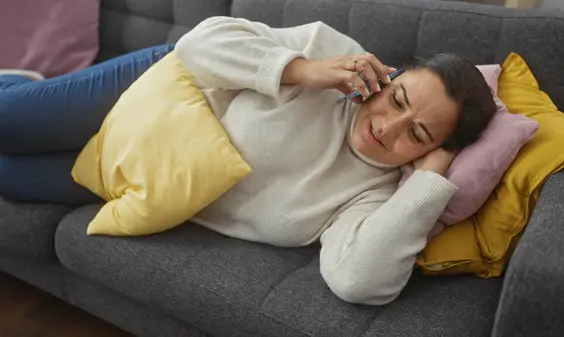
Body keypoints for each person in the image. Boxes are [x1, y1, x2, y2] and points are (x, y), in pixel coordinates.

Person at [0, 17, 496, 305]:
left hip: (144, 171)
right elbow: (199, 45)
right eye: (399, 98)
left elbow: (358, 281)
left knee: (12, 177)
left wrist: (433, 177)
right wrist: (304, 70)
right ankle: (18, 84)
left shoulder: (371, 195)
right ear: (393, 75)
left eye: (418, 134)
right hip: (156, 87)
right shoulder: (337, 58)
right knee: (10, 120)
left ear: (431, 151)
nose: (386, 125)